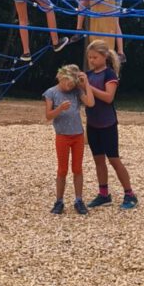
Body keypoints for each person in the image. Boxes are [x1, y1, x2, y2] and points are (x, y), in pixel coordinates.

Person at [83, 39, 137, 210]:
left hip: (108, 124)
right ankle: (104, 194)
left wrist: (88, 86)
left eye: (95, 57)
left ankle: (130, 194)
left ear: (104, 56)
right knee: (98, 160)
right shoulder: (89, 75)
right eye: (89, 58)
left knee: (114, 159)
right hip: (93, 123)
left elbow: (108, 97)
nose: (91, 61)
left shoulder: (109, 74)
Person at [43, 64, 95, 215]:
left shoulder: (76, 91)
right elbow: (48, 116)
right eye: (69, 83)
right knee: (62, 169)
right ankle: (59, 201)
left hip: (77, 135)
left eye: (73, 84)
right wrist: (59, 109)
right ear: (61, 77)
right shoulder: (51, 93)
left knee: (78, 169)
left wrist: (87, 84)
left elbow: (90, 103)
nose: (70, 86)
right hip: (62, 136)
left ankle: (79, 200)